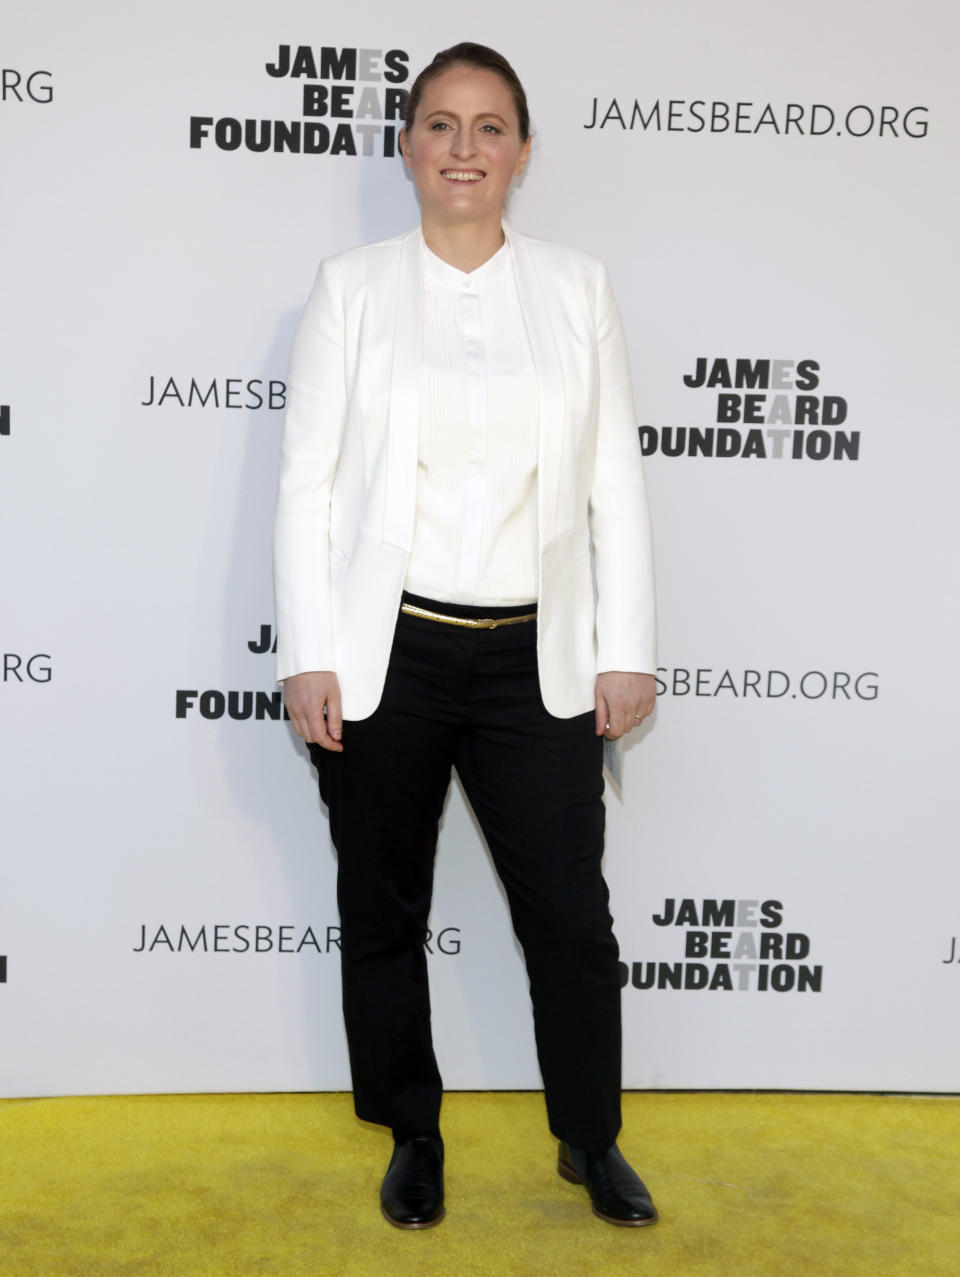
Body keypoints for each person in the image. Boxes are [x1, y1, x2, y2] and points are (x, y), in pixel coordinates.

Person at [274, 42, 658, 1230]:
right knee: (383, 908)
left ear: (524, 153)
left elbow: (614, 480)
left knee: (571, 918)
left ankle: (589, 1138)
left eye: (490, 128)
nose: (464, 149)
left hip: (534, 661)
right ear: (407, 146)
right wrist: (309, 652)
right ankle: (414, 1131)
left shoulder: (578, 285)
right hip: (389, 655)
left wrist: (626, 644)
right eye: (440, 124)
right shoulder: (352, 286)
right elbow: (309, 485)